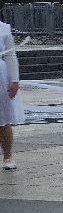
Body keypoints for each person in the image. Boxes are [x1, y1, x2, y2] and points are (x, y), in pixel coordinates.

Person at [0, 17, 23, 170]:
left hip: (0, 76)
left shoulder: (3, 28)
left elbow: (10, 55)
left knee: (2, 119)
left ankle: (7, 156)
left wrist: (14, 80)